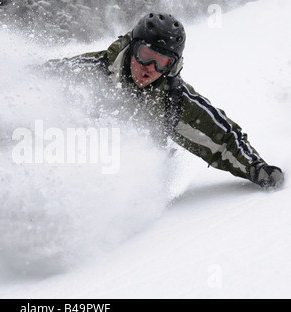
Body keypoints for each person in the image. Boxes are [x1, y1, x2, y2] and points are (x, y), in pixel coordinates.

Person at [45, 12, 284, 189]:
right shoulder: (88, 71)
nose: (150, 68)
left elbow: (223, 141)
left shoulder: (173, 99)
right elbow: (26, 90)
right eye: (145, 56)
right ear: (131, 48)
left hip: (121, 190)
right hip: (62, 168)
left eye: (162, 62)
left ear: (172, 66)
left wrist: (257, 168)